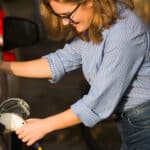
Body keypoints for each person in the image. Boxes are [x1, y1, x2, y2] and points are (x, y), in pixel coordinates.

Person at [0, 0, 150, 149]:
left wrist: (45, 126)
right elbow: (61, 61)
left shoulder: (123, 34)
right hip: (132, 123)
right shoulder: (100, 23)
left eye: (67, 15)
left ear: (89, 2)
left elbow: (98, 101)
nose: (65, 23)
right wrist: (3, 66)